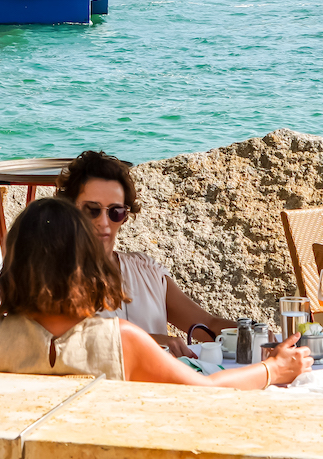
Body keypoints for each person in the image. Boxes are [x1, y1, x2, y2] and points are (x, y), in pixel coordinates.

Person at [0, 198, 312, 389]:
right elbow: (210, 392)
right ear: (88, 266)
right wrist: (273, 370)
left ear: (14, 265)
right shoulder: (121, 340)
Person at [55, 150, 236, 357]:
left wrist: (258, 335)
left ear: (125, 216)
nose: (104, 222)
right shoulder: (53, 276)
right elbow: (68, 344)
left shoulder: (146, 271)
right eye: (92, 209)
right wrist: (151, 342)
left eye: (115, 211)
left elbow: (208, 325)